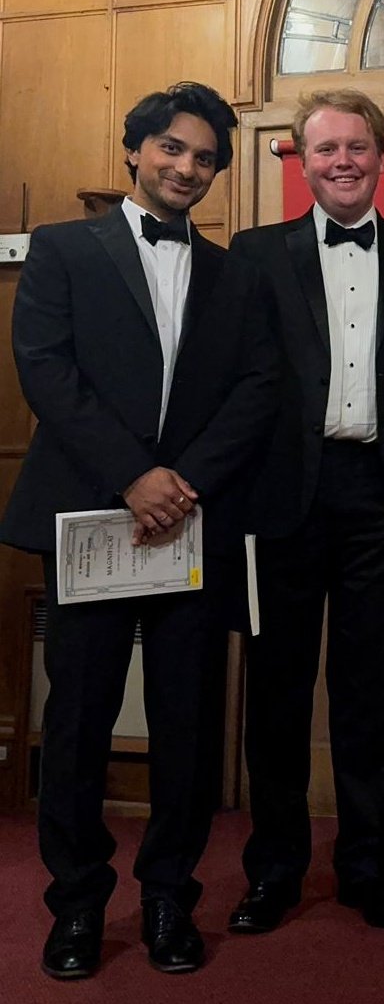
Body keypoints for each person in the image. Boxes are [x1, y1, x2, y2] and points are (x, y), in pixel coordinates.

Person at [0, 82, 279, 978]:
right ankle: (78, 904)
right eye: (171, 148)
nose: (186, 167)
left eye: (204, 158)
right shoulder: (62, 248)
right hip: (93, 514)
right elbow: (45, 369)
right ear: (135, 149)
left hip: (190, 522)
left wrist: (181, 484)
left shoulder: (237, 274)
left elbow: (259, 387)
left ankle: (168, 898)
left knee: (187, 723)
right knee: (77, 720)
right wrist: (133, 474)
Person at [226, 90, 384, 934]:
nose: (343, 161)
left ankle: (365, 867)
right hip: (281, 497)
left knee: (373, 691)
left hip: (383, 497)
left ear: (381, 155)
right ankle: (273, 870)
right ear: (301, 160)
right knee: (277, 691)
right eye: (326, 149)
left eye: (357, 146)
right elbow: (232, 375)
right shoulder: (254, 253)